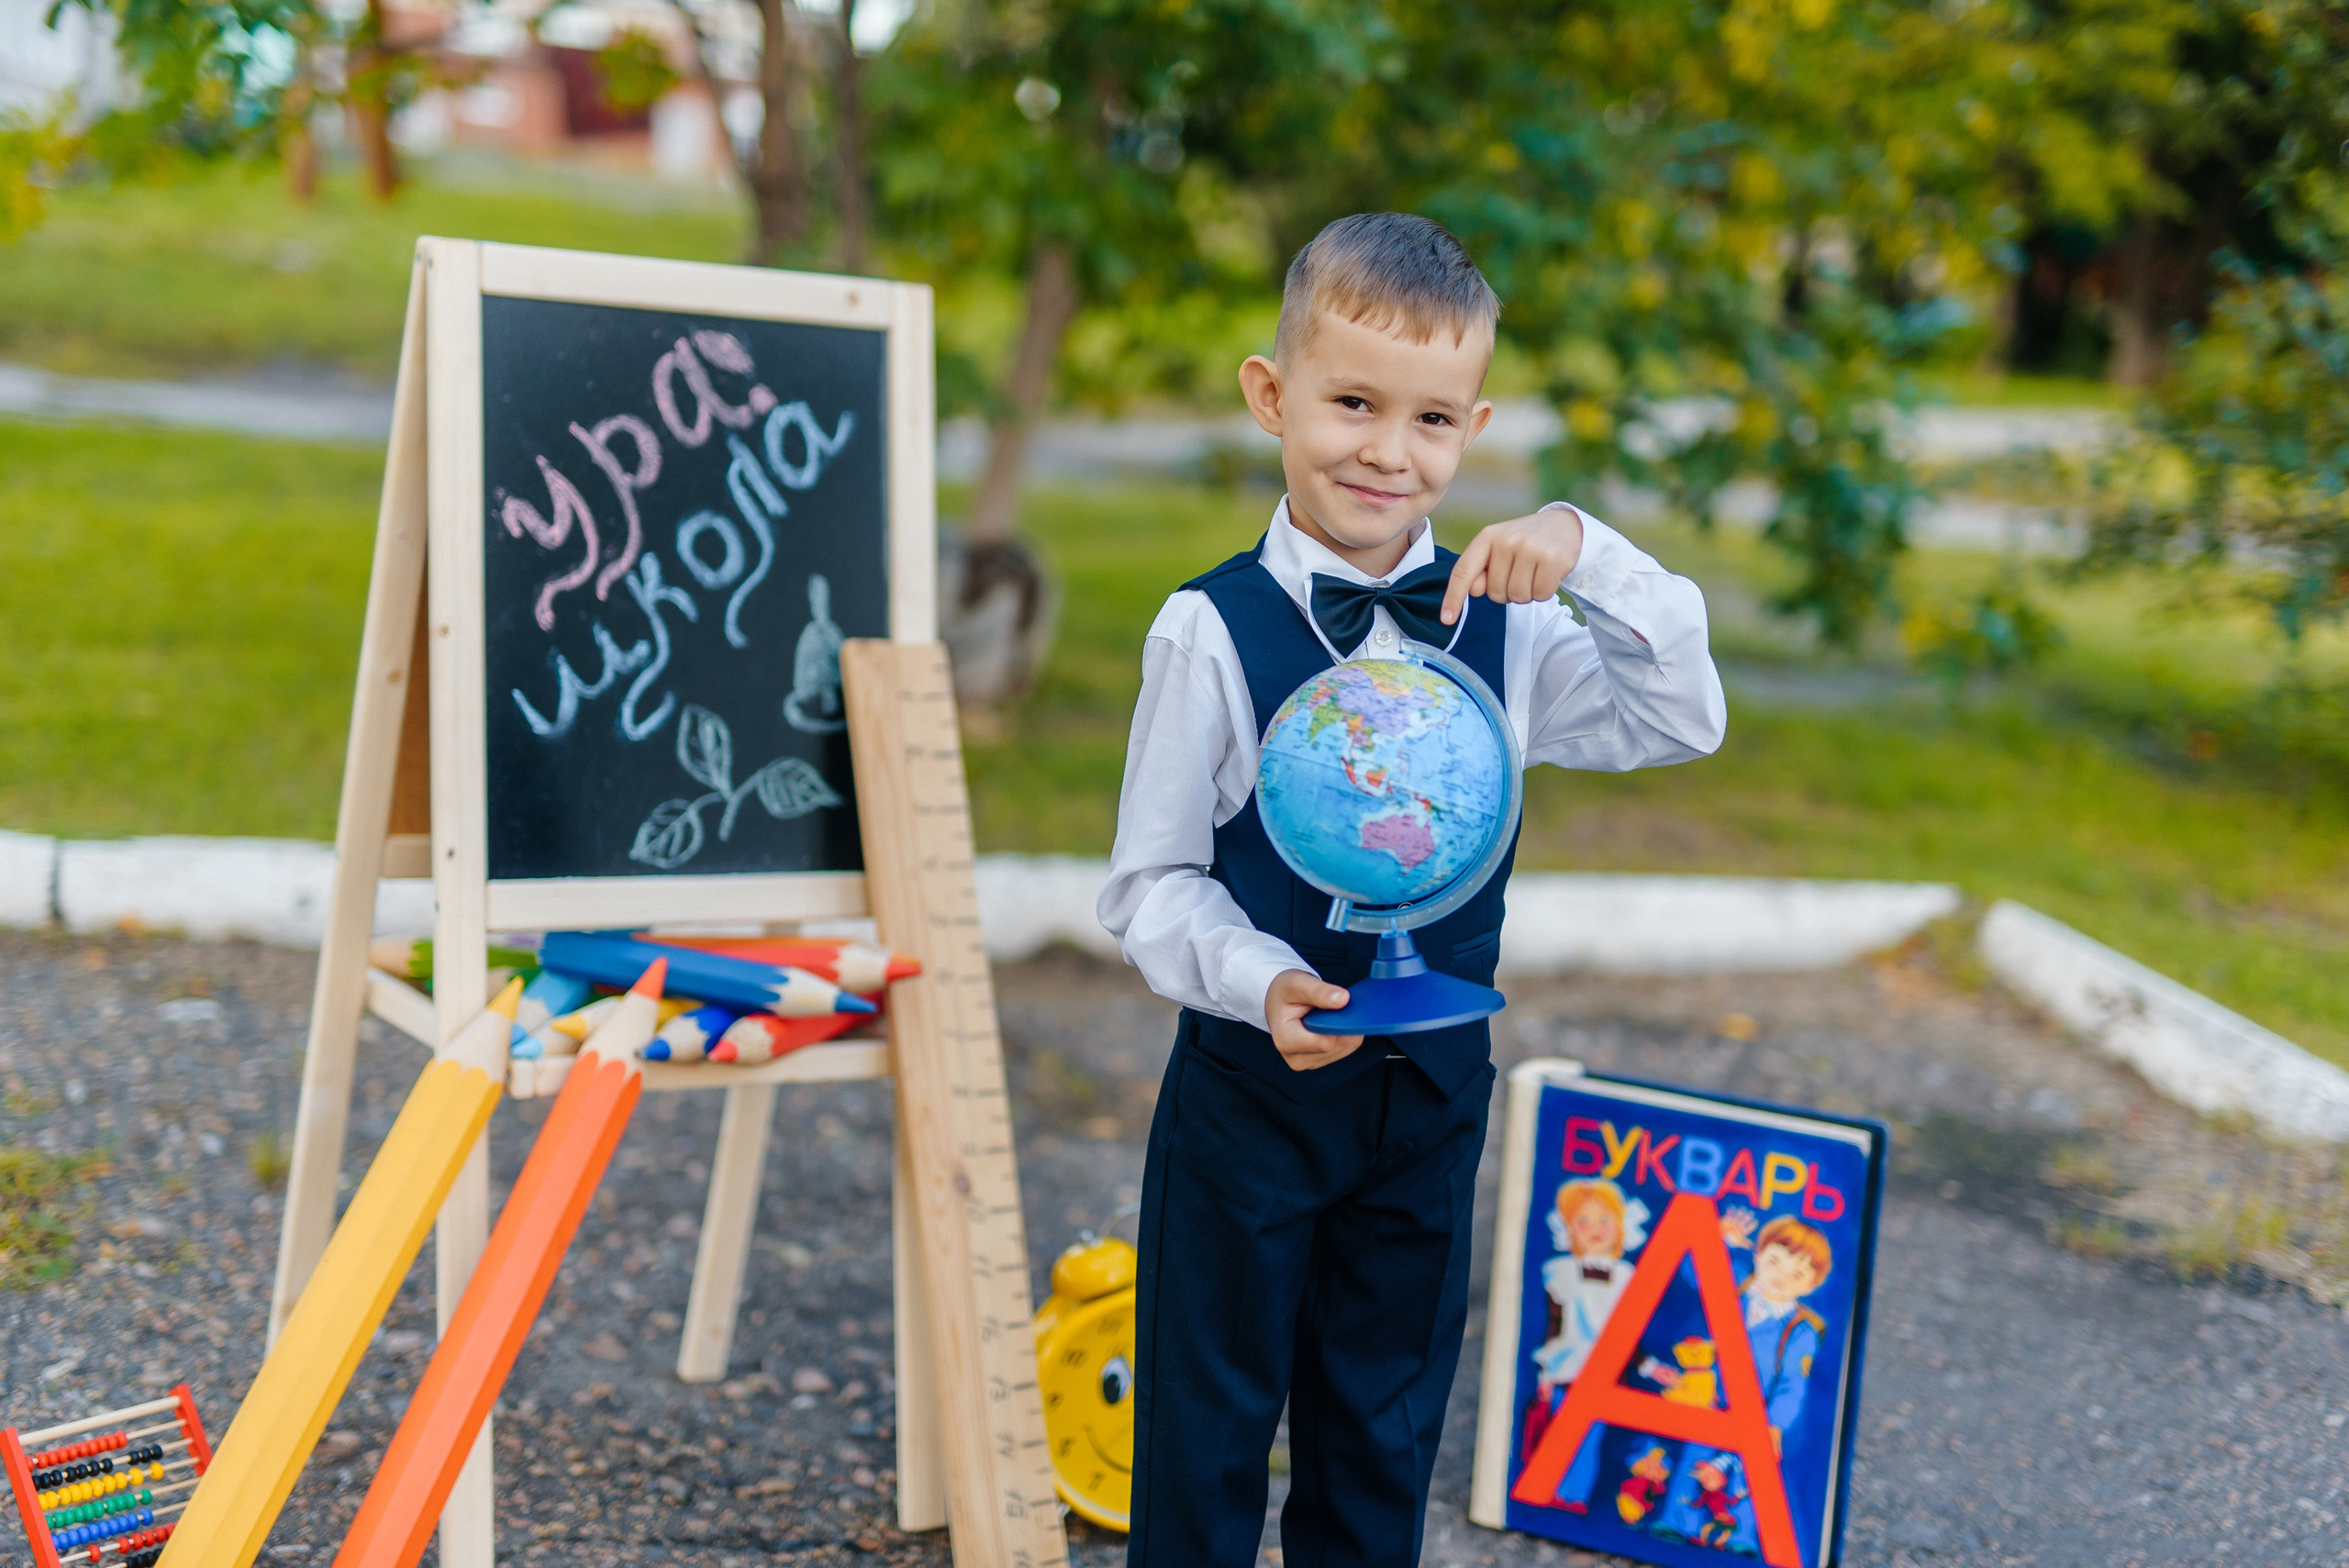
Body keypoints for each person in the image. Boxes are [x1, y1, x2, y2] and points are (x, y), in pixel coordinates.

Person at [1097, 211, 1728, 1567]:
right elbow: (1148, 884)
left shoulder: (1506, 622)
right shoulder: (1209, 629)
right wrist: (1253, 976)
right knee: (1204, 1439)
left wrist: (1586, 543)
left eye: (1433, 419)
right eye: (1353, 403)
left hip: (1432, 1097)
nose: (1390, 450)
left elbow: (1685, 715)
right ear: (1273, 396)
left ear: (1474, 425)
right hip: (1254, 1090)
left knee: (1382, 1433)